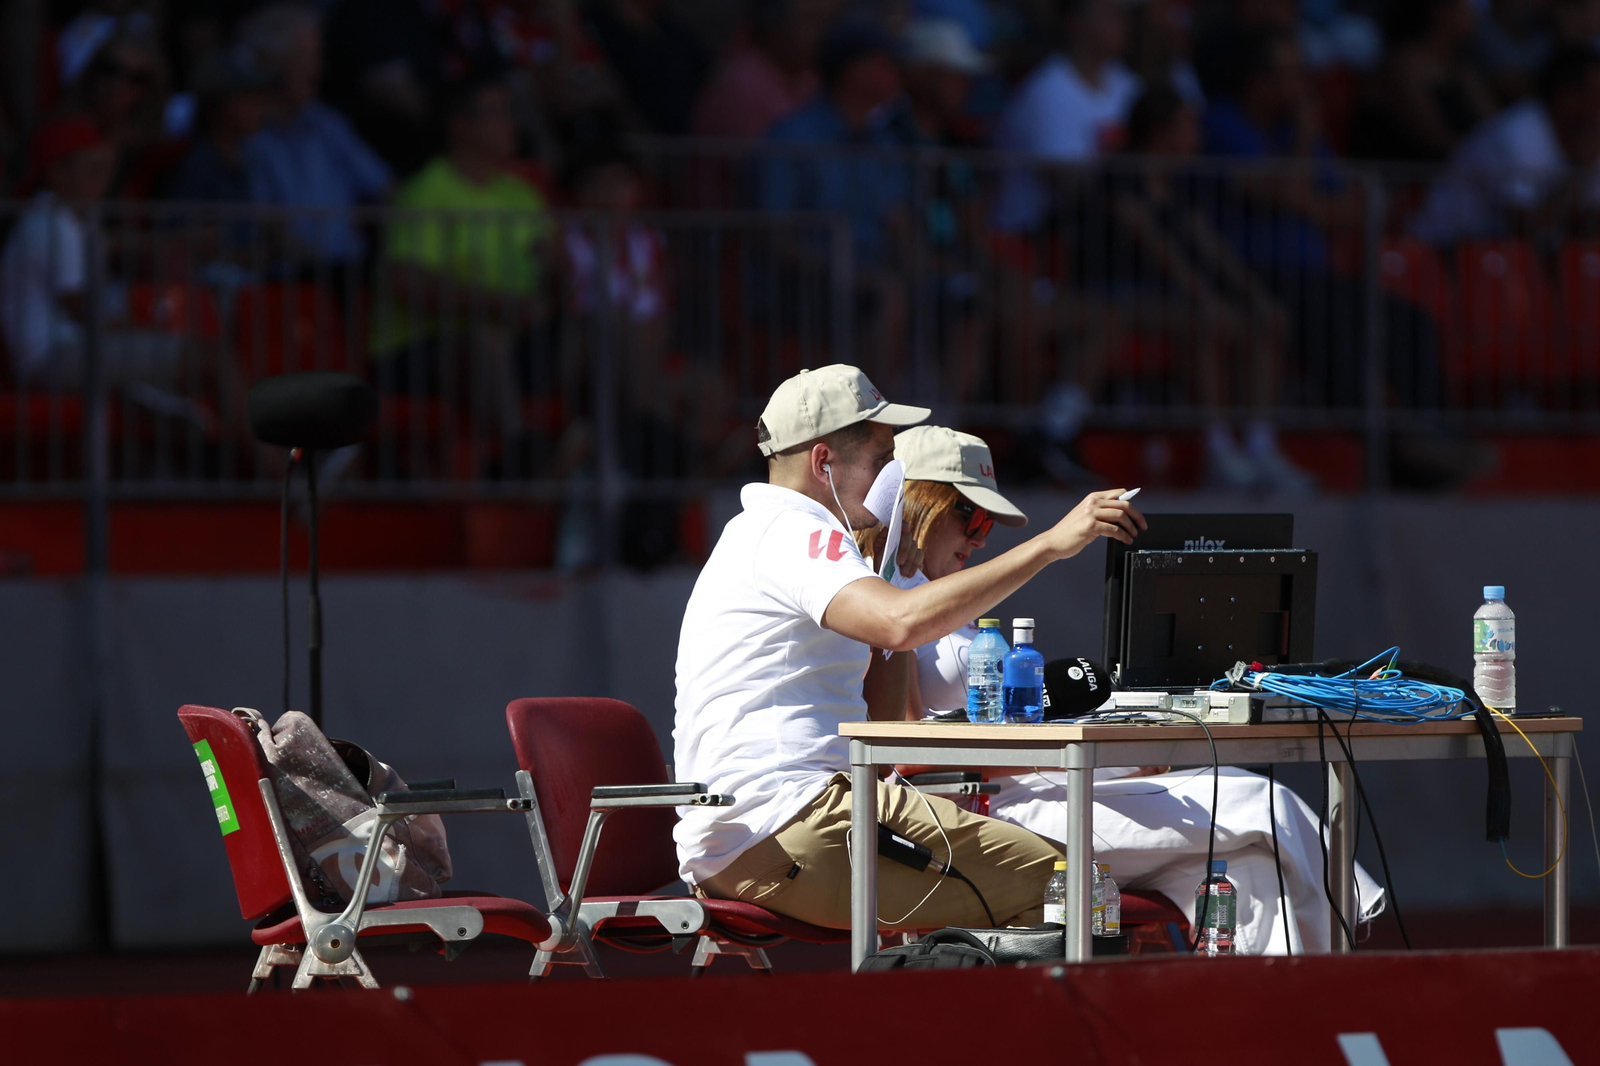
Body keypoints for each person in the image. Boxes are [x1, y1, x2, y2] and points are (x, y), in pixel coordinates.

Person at [674, 364, 1146, 930]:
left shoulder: (773, 534)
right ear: (824, 463)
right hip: (791, 824)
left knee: (1068, 888)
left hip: (782, 828)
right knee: (1079, 888)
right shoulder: (794, 531)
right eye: (879, 461)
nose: (888, 477)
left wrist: (894, 583)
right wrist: (1048, 546)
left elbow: (885, 720)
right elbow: (900, 626)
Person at [882, 423, 1385, 954]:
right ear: (923, 503)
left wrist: (1111, 744)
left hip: (1050, 789)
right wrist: (1087, 755)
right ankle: (1344, 968)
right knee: (1261, 801)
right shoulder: (889, 598)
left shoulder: (949, 602)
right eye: (974, 517)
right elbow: (909, 752)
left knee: (1254, 868)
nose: (982, 538)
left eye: (989, 523)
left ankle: (1277, 1020)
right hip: (982, 815)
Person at [373, 73, 553, 444]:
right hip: (421, 348)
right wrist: (496, 304)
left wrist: (561, 279)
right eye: (499, 113)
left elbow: (557, 267)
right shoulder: (427, 192)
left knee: (605, 326)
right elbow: (404, 281)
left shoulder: (522, 194)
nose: (512, 122)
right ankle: (518, 452)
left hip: (516, 336)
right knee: (485, 336)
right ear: (459, 125)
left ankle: (619, 458)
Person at [0, 119, 180, 393]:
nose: (103, 185)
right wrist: (137, 328)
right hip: (51, 358)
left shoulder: (71, 220)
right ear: (56, 173)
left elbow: (115, 245)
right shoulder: (49, 223)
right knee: (204, 358)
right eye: (94, 171)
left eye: (107, 172)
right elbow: (82, 310)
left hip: (72, 348)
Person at [237, 3, 393, 266]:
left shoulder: (328, 124)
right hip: (281, 283)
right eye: (303, 58)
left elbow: (383, 186)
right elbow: (261, 219)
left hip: (347, 276)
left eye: (317, 58)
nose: (316, 69)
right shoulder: (247, 132)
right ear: (267, 62)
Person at [1414, 45, 1600, 246]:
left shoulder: (1587, 138)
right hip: (1443, 246)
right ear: (1565, 95)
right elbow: (1524, 225)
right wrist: (1581, 171)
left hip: (1506, 257)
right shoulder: (1519, 132)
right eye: (1594, 93)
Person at [992, 0, 1142, 232]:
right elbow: (1062, 179)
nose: (1123, 23)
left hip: (1103, 231)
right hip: (1036, 233)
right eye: (1110, 14)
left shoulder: (1128, 85)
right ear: (1076, 23)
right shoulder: (1047, 90)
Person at [1352, 0, 1498, 163]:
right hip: (1404, 181)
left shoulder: (1463, 70)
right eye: (1467, 5)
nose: (1475, 13)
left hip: (1461, 175)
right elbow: (1435, 141)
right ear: (1438, 10)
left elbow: (1497, 129)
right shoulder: (1402, 66)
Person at [690, 0, 826, 140]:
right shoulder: (741, 85)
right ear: (776, 27)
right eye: (808, 21)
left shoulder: (811, 80)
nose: (819, 33)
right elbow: (754, 157)